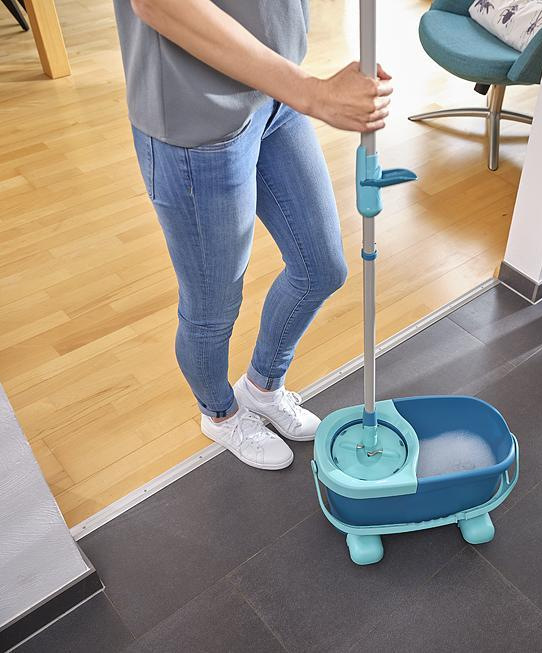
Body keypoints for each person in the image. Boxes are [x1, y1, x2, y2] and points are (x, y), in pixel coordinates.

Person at [113, 0, 392, 469]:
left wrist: (300, 90)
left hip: (275, 93)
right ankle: (220, 414)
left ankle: (262, 388)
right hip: (199, 118)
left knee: (321, 269)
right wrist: (315, 95)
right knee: (212, 309)